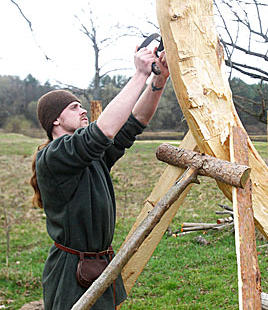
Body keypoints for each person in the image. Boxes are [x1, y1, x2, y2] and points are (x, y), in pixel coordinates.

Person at [29, 46, 170, 309]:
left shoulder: (90, 154)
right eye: (74, 107)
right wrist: (139, 74)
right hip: (72, 272)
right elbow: (102, 130)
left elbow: (135, 120)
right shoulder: (54, 156)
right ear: (55, 120)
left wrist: (158, 80)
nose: (82, 111)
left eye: (81, 106)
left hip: (100, 263)